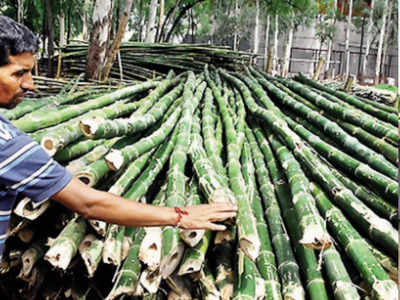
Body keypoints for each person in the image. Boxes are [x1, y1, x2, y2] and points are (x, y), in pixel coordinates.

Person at [0, 16, 237, 261]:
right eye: (19, 73)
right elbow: (88, 204)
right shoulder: (8, 145)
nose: (30, 84)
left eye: (30, 72)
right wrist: (180, 215)